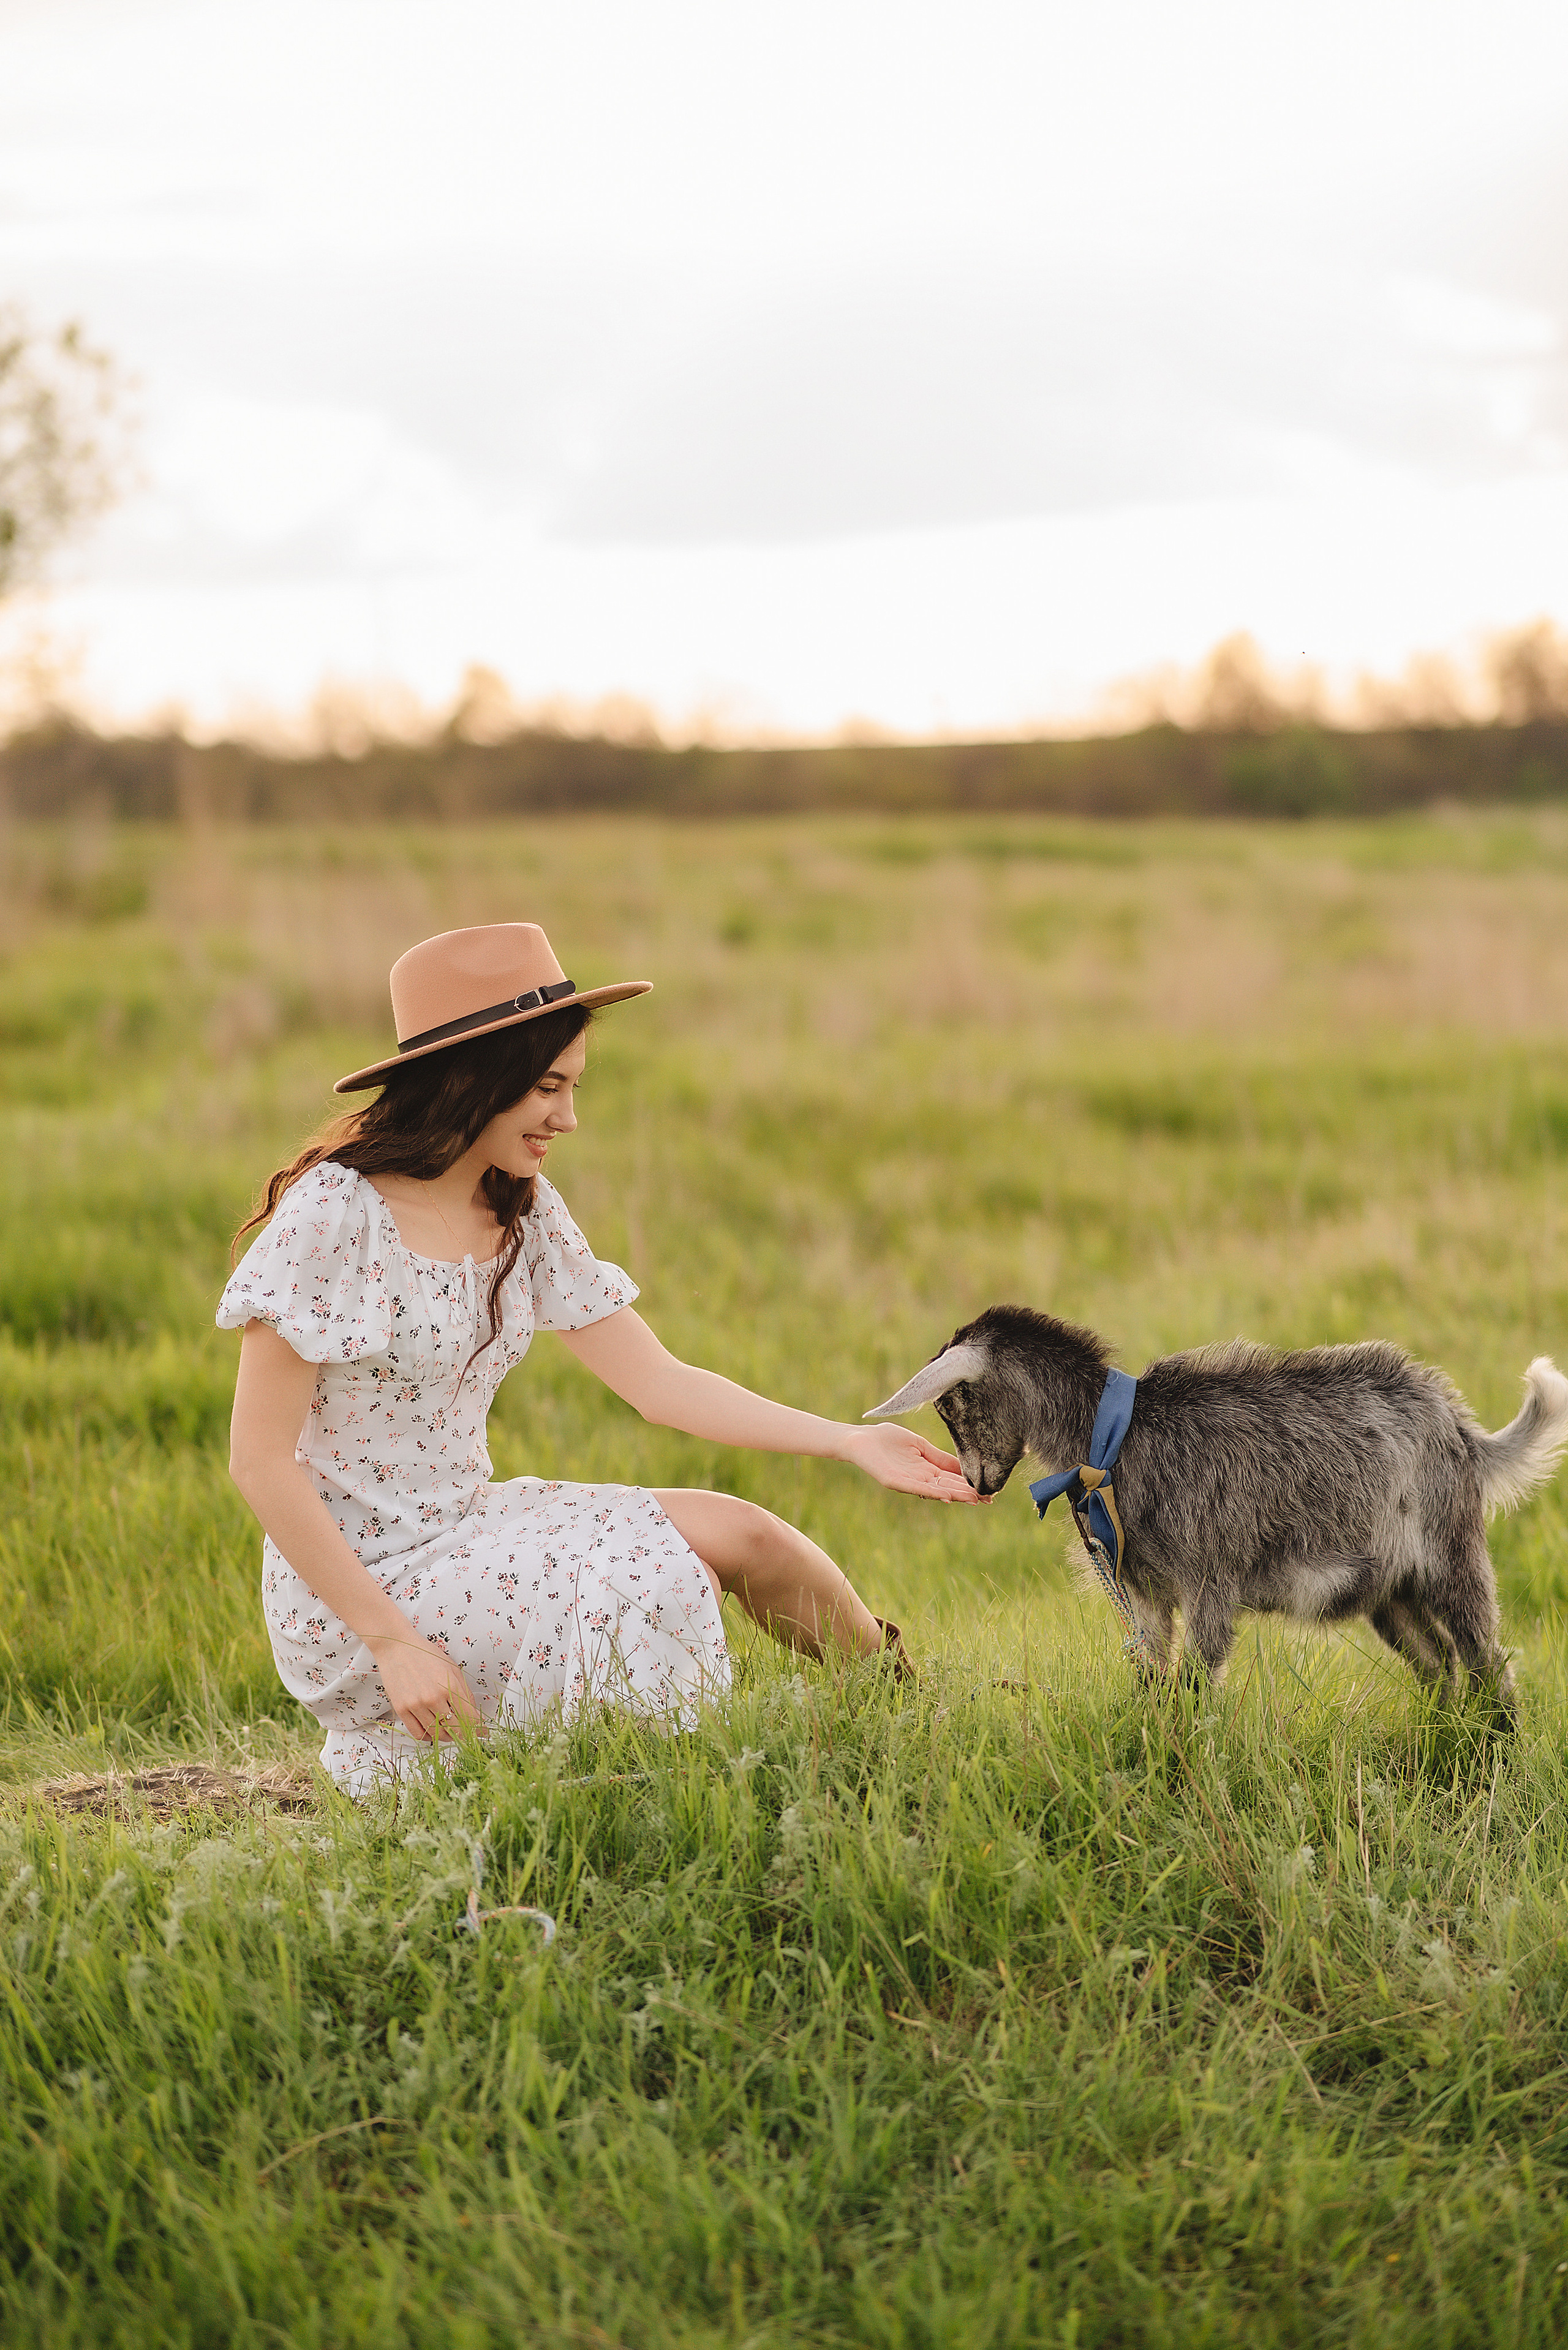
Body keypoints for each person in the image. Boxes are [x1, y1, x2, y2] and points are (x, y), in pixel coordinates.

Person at [220, 922, 979, 1793]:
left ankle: (908, 1708)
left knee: (746, 1532)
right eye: (548, 1087)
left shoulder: (518, 1206)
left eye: (574, 1086)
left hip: (469, 1530)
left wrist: (849, 1440)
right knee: (654, 1575)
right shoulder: (333, 1215)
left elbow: (659, 1383)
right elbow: (259, 1461)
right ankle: (655, 1803)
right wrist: (391, 1638)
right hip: (353, 1589)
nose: (568, 1118)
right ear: (473, 1077)